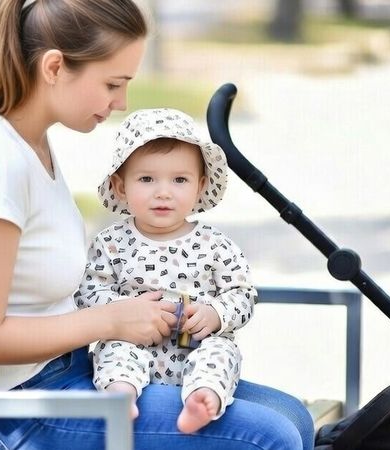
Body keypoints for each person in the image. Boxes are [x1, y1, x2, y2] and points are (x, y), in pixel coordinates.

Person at [0, 0, 314, 449]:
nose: (121, 102)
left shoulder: (28, 146)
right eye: (112, 83)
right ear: (54, 67)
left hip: (61, 375)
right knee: (270, 438)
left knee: (294, 417)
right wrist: (110, 319)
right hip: (11, 409)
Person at [75, 108, 255, 434]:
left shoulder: (215, 244)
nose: (163, 192)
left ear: (200, 186)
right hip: (133, 342)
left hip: (196, 344)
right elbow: (89, 291)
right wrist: (123, 311)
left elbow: (242, 293)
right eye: (146, 179)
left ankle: (203, 397)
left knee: (221, 352)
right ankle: (120, 395)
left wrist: (215, 313)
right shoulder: (111, 243)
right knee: (115, 352)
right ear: (120, 186)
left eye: (179, 180)